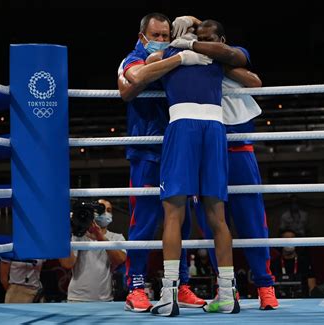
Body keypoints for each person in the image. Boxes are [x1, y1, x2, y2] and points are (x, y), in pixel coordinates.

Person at [150, 19, 249, 316]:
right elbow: (249, 75)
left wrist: (181, 49)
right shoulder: (217, 57)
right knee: (217, 215)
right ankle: (227, 293)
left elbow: (136, 79)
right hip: (214, 129)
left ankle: (169, 295)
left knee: (173, 212)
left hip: (183, 127)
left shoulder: (167, 54)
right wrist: (185, 49)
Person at [118, 12, 210, 312]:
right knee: (143, 222)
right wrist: (177, 58)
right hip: (145, 151)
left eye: (165, 35)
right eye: (155, 35)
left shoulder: (175, 48)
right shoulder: (132, 57)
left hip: (178, 150)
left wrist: (191, 21)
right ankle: (135, 286)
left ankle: (180, 284)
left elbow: (209, 32)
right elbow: (130, 85)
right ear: (142, 36)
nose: (160, 40)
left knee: (181, 223)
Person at [59, 199, 127, 302]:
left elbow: (119, 260)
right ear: (93, 213)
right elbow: (67, 264)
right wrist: (66, 232)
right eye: (102, 210)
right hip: (76, 299)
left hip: (105, 299)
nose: (106, 213)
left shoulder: (117, 237)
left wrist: (100, 237)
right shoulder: (78, 236)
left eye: (109, 210)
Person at [270, 229, 317, 298]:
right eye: (286, 239)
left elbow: (312, 288)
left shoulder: (304, 262)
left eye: (292, 238)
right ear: (280, 242)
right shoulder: (274, 263)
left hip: (302, 300)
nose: (289, 241)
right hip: (279, 300)